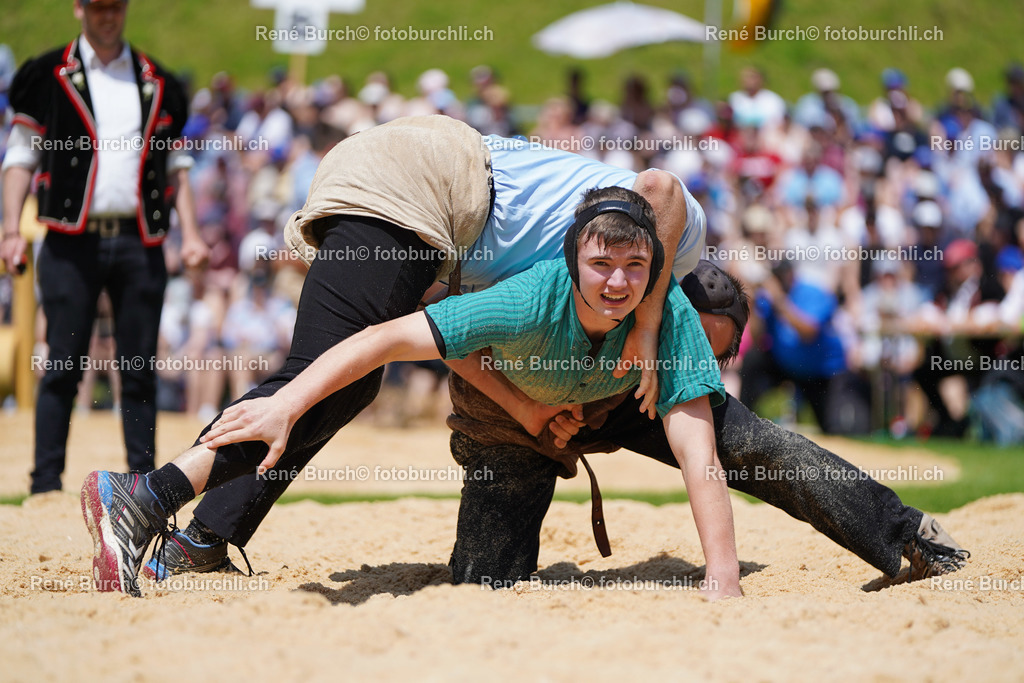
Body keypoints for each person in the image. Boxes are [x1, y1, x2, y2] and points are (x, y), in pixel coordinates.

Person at [81, 114, 702, 582]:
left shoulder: (600, 275)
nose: (688, 365)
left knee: (344, 381)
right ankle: (146, 498)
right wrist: (648, 333)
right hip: (418, 183)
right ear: (692, 306)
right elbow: (665, 188)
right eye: (705, 344)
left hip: (410, 187)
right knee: (319, 378)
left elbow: (441, 323)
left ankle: (201, 539)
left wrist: (525, 409)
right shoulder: (671, 250)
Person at [444, 261, 969, 589]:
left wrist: (723, 574)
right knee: (483, 578)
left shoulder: (687, 377)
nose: (693, 359)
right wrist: (530, 411)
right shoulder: (594, 300)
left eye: (709, 358)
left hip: (640, 404)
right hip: (525, 407)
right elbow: (455, 338)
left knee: (763, 447)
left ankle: (908, 532)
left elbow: (728, 455)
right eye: (688, 344)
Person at [0, 0, 208, 494]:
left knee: (138, 369)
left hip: (141, 239)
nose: (107, 16)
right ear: (80, 9)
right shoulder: (46, 73)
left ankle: (144, 487)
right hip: (71, 239)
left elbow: (177, 166)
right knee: (62, 367)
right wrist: (10, 229)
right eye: (98, 7)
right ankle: (46, 482)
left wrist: (193, 234)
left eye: (115, 6)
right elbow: (20, 155)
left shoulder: (158, 79)